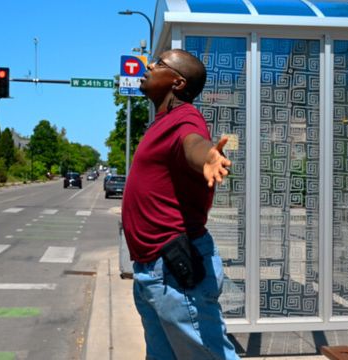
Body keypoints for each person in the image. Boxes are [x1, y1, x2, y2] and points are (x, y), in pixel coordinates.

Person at [121, 49, 240, 360]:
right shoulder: (162, 121)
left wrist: (209, 157)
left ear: (177, 82)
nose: (148, 65)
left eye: (159, 63)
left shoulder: (185, 118)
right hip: (152, 269)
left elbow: (193, 143)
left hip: (173, 268)